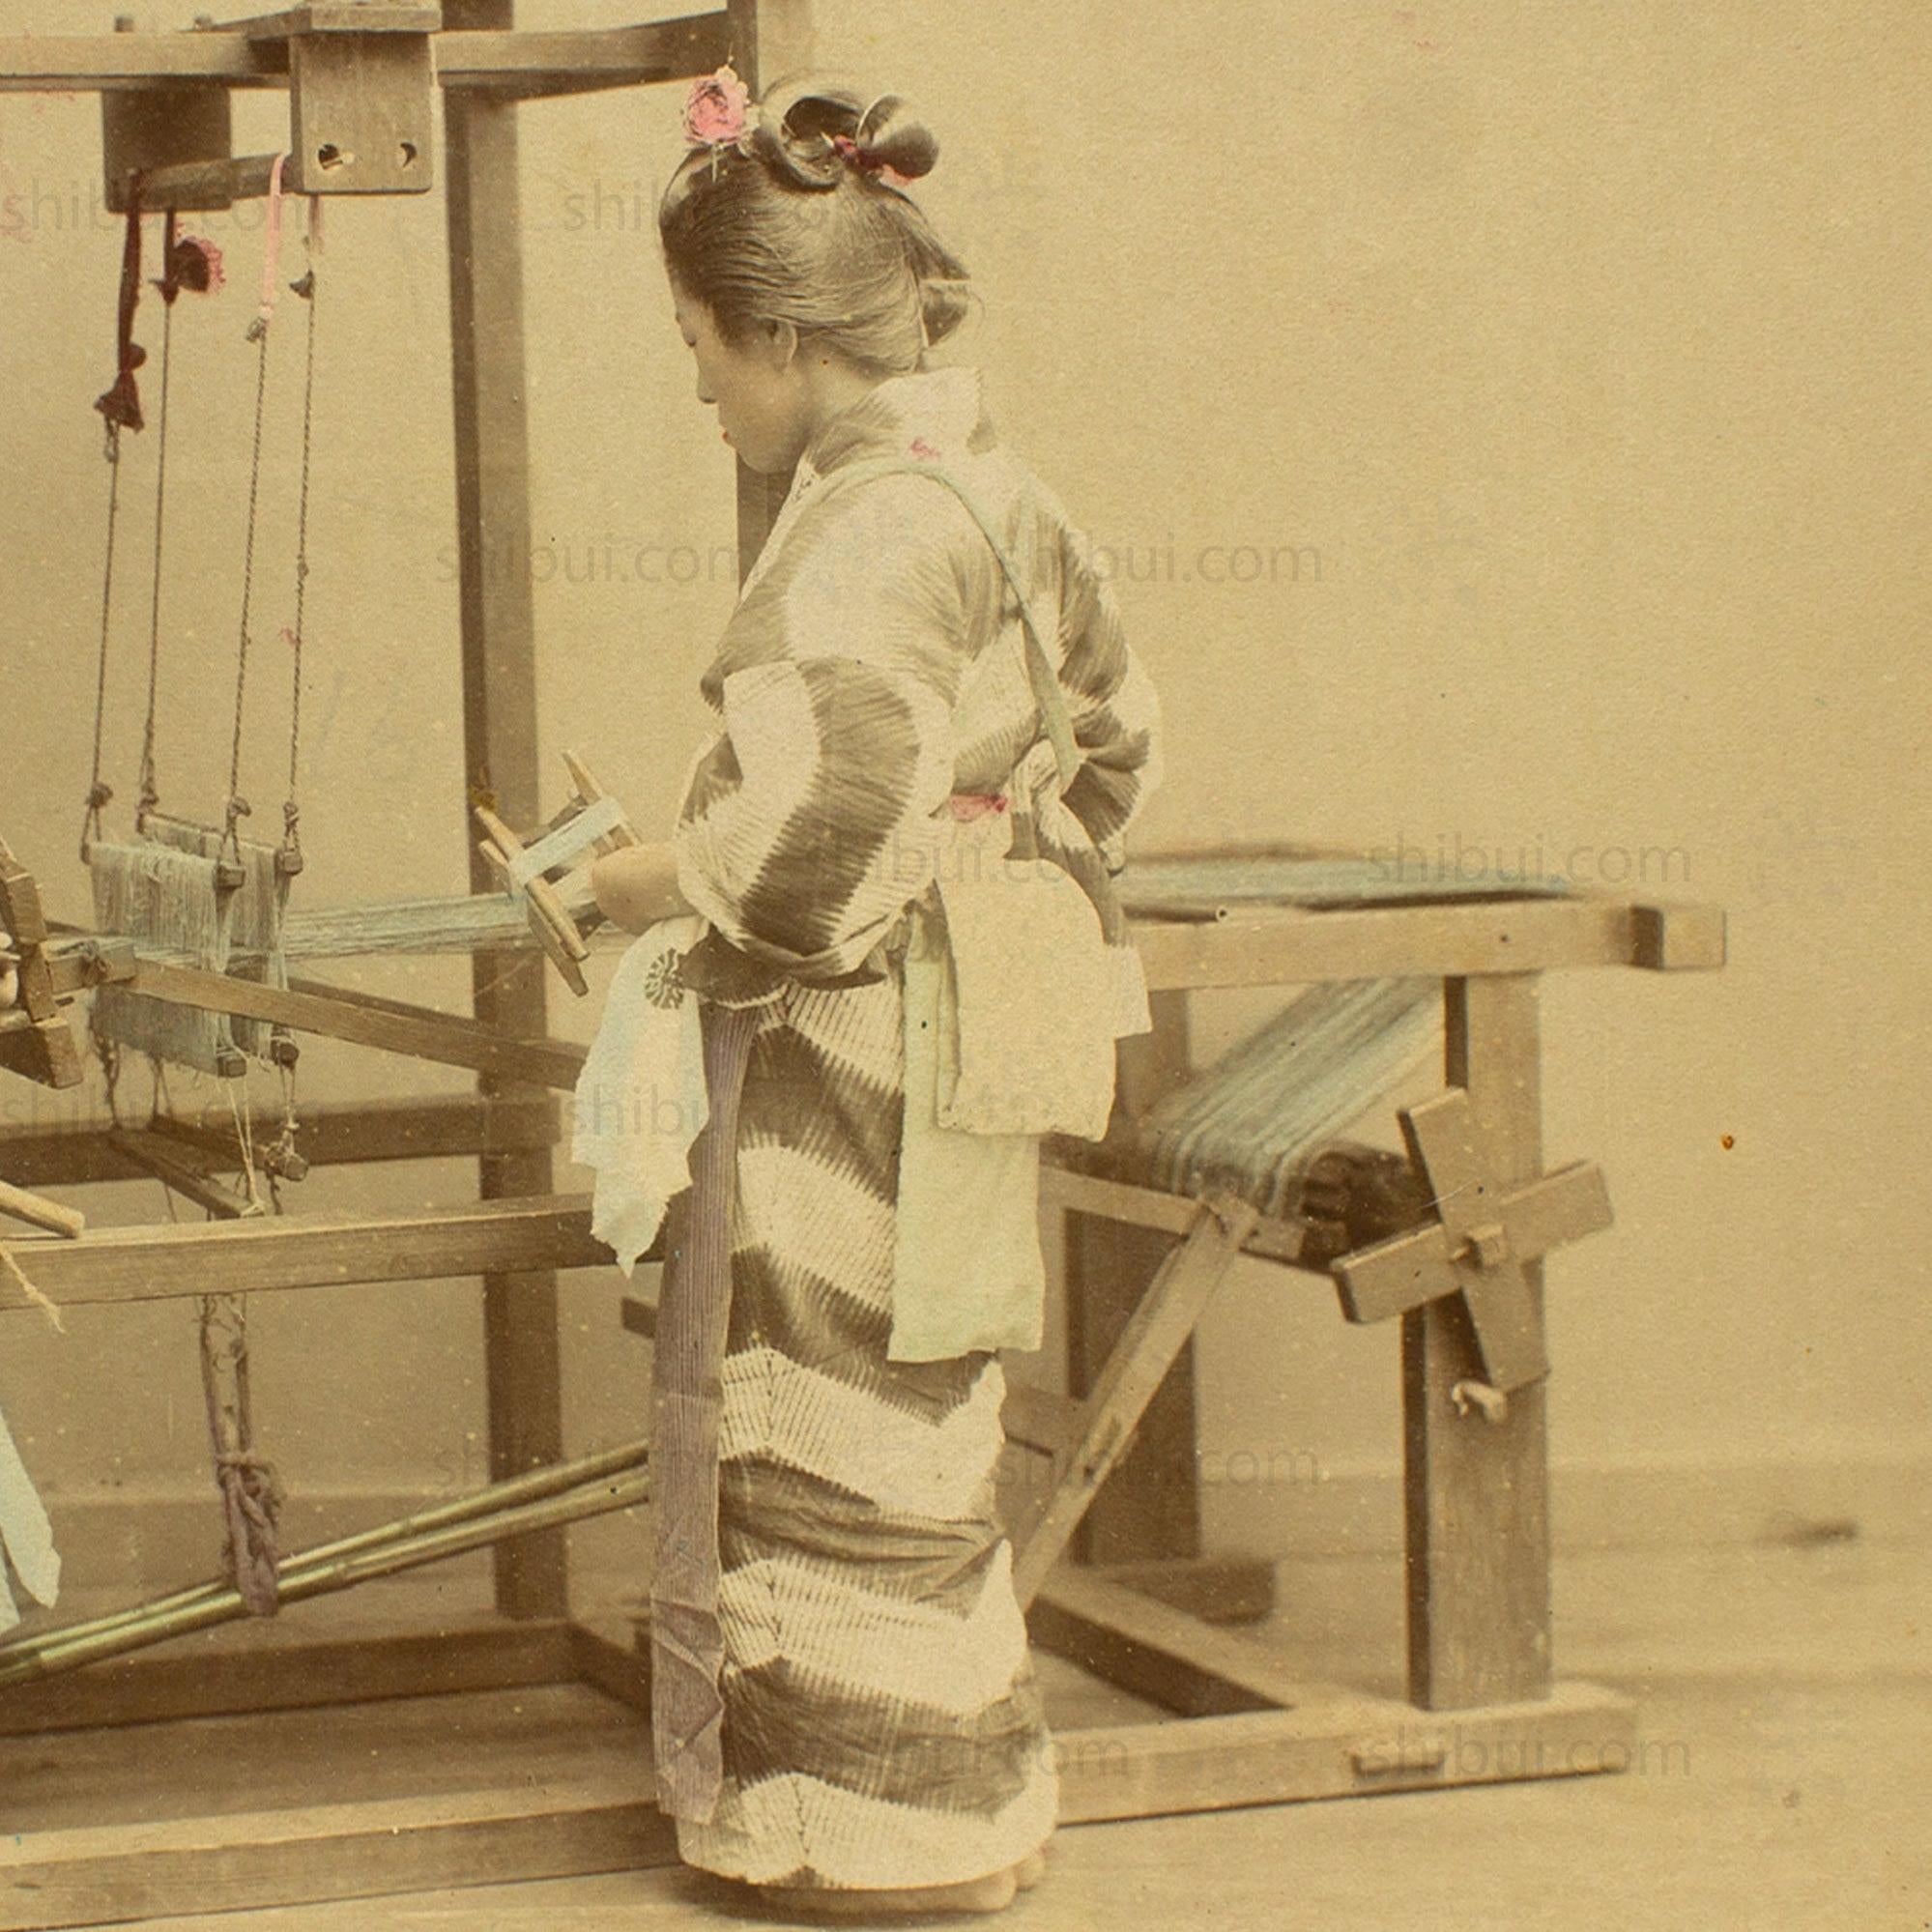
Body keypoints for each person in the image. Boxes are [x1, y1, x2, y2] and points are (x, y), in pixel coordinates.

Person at [584, 67, 1162, 1918]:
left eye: (700, 348)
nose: (699, 388)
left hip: (847, 1038)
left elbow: (816, 843)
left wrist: (663, 890)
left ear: (776, 335)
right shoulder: (993, 489)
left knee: (820, 1416)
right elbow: (1119, 744)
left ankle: (855, 1835)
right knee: (925, 1413)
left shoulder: (866, 531)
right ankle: (965, 1808)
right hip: (971, 1011)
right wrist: (987, 873)